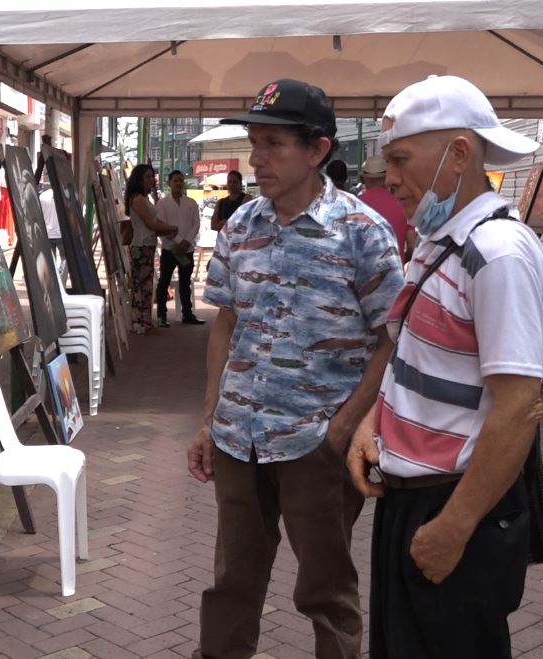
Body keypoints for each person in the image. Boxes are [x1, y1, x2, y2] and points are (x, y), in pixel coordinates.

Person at [188, 78, 405, 659]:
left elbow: (393, 338)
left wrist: (344, 429)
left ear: (318, 150)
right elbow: (226, 324)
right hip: (240, 438)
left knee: (326, 589)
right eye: (254, 142)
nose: (257, 159)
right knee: (232, 582)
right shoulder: (241, 226)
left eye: (275, 143)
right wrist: (210, 419)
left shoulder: (362, 233)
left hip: (317, 444)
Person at [346, 75, 543, 659]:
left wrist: (454, 527)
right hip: (412, 501)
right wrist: (372, 428)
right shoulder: (439, 241)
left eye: (401, 159)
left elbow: (519, 408)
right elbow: (409, 354)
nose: (389, 178)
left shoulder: (498, 254)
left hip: (455, 508)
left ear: (458, 153)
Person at [125, 164, 178, 335]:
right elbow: (151, 223)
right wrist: (169, 228)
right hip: (140, 247)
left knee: (147, 286)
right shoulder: (138, 199)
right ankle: (138, 323)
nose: (151, 180)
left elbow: (155, 222)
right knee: (141, 287)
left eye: (152, 176)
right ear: (139, 179)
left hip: (147, 245)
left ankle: (145, 321)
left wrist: (167, 229)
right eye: (147, 176)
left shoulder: (144, 198)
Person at [155, 170, 205, 326]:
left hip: (186, 250)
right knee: (164, 281)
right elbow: (161, 225)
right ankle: (162, 315)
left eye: (181, 180)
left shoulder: (191, 203)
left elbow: (196, 225)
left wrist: (186, 242)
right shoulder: (162, 203)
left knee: (185, 282)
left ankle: (188, 314)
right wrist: (177, 241)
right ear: (169, 183)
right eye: (175, 180)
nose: (178, 183)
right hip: (170, 249)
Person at [359, 155, 413, 262]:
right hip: (396, 274)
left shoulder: (353, 206)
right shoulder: (403, 204)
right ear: (386, 177)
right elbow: (412, 245)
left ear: (364, 179)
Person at [39, 182, 64, 255]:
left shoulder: (42, 197)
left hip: (47, 233)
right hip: (60, 233)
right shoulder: (62, 196)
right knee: (65, 259)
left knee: (50, 262)